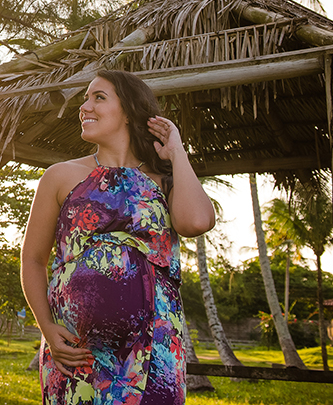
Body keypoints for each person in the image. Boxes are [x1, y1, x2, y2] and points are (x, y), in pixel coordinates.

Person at [20, 68, 215, 405]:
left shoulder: (164, 181)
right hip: (76, 352)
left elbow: (197, 222)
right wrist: (47, 329)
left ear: (128, 110)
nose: (85, 107)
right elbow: (33, 259)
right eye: (84, 100)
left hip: (155, 345)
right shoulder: (60, 176)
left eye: (99, 97)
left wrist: (177, 153)